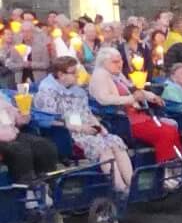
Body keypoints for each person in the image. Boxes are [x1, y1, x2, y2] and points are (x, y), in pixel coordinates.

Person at [33, 56, 134, 193]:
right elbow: (49, 120)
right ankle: (121, 188)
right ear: (61, 75)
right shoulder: (47, 92)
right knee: (104, 148)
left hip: (87, 129)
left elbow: (87, 113)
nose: (77, 75)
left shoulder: (77, 91)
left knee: (115, 142)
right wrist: (81, 128)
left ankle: (132, 185)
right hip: (69, 135)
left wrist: (99, 127)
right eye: (73, 72)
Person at [88, 48, 182, 164]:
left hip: (137, 115)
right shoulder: (100, 76)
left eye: (121, 61)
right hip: (123, 120)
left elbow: (133, 89)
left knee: (172, 129)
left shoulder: (117, 74)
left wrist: (152, 96)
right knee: (165, 133)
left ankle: (176, 167)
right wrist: (132, 99)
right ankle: (165, 169)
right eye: (115, 62)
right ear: (104, 63)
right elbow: (104, 99)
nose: (120, 64)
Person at [0, 84, 59, 182]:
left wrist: (24, 112)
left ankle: (47, 182)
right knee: (20, 150)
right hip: (3, 139)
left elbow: (19, 119)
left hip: (12, 134)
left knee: (44, 145)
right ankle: (25, 186)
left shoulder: (2, 100)